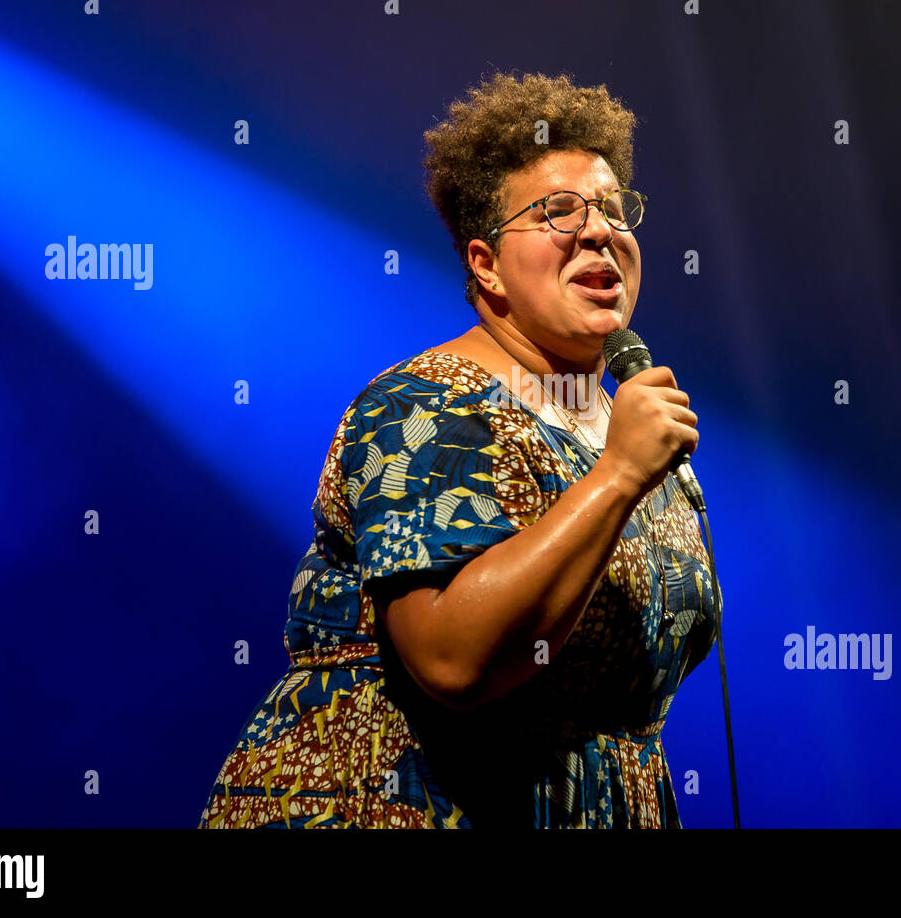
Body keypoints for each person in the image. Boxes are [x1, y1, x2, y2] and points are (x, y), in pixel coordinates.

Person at [198, 70, 718, 828]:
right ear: (486, 264)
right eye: (559, 211)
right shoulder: (422, 405)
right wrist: (618, 475)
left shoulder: (629, 428)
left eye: (612, 209)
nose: (600, 229)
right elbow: (452, 659)